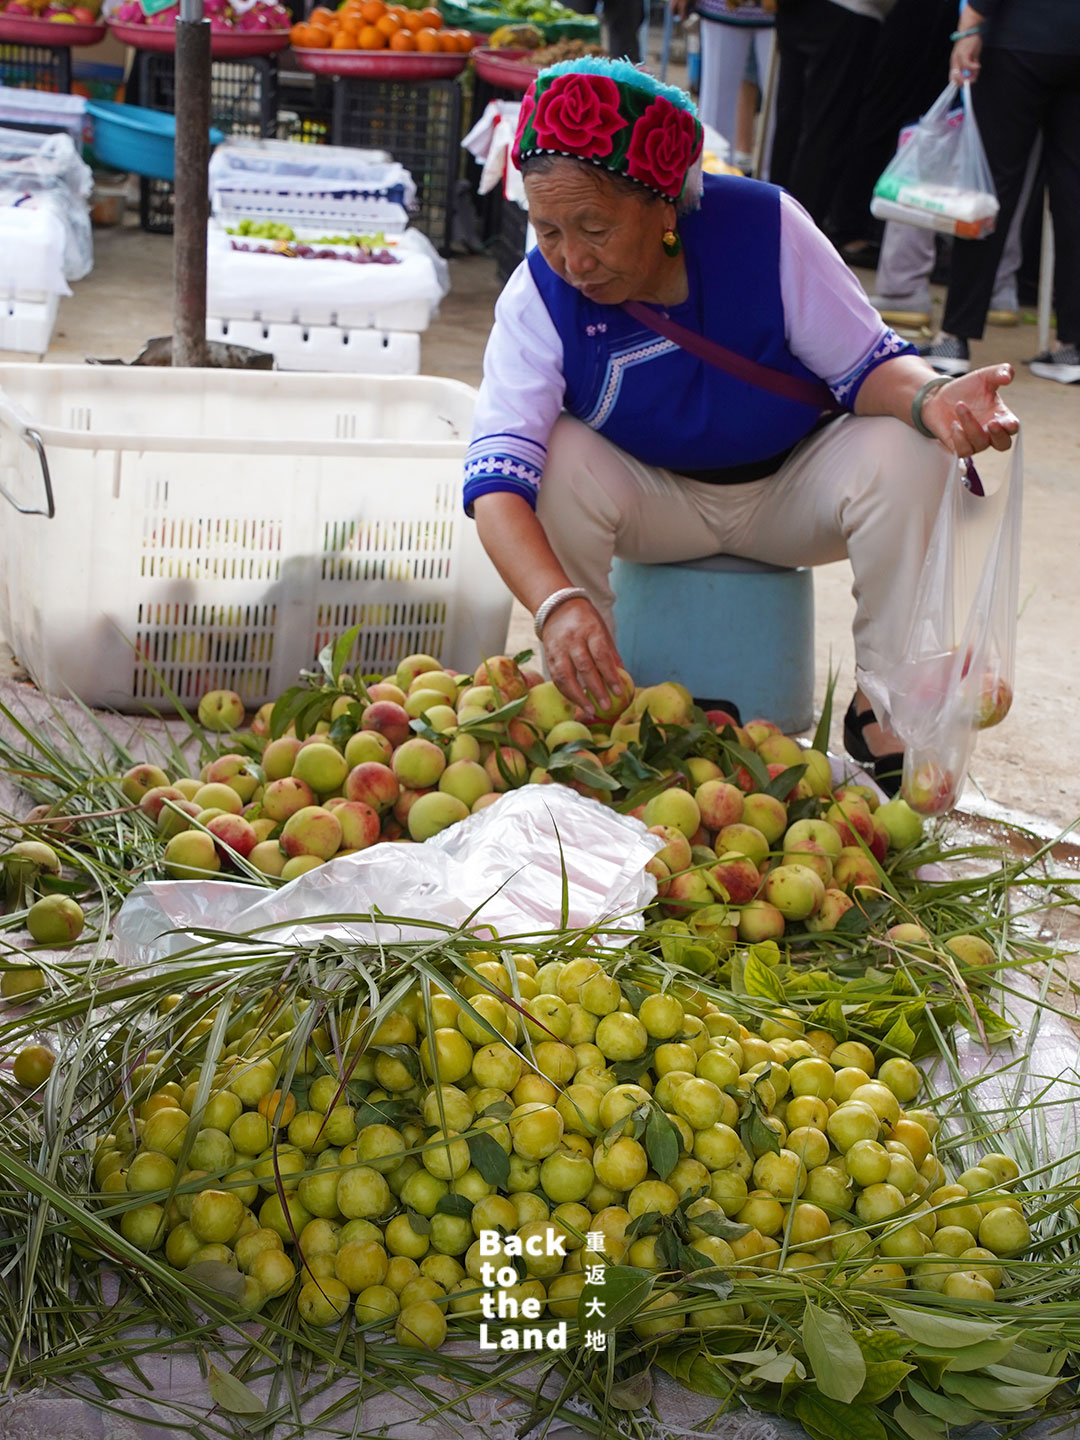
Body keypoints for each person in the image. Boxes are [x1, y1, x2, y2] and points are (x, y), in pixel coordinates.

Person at [465, 58, 1018, 792]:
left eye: (593, 227)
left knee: (909, 445)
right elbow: (495, 484)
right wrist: (555, 605)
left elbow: (872, 366)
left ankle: (883, 710)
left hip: (793, 493)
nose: (572, 258)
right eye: (548, 230)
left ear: (662, 205)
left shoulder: (765, 229)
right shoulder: (539, 296)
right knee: (548, 458)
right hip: (649, 505)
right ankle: (590, 712)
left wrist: (934, 400)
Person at [919, 0, 1080, 381]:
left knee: (989, 189)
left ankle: (955, 337)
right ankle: (1073, 344)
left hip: (1018, 35)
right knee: (1073, 192)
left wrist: (970, 25)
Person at [767, 0, 893, 227]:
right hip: (849, 10)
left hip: (801, 11)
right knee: (822, 128)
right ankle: (797, 228)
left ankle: (774, 219)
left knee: (792, 119)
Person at [674, 0, 775, 174]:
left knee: (779, 110)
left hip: (779, 12)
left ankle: (779, 193)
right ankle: (711, 185)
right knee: (716, 113)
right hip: (721, 9)